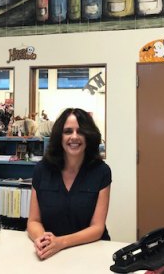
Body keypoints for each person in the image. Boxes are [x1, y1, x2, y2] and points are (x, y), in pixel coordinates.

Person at [27, 108, 111, 260]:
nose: (74, 137)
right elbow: (33, 221)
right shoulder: (42, 170)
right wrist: (43, 240)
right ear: (59, 136)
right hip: (50, 254)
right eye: (68, 131)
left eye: (80, 131)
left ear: (89, 136)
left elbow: (97, 228)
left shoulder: (101, 171)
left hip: (90, 252)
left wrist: (61, 242)